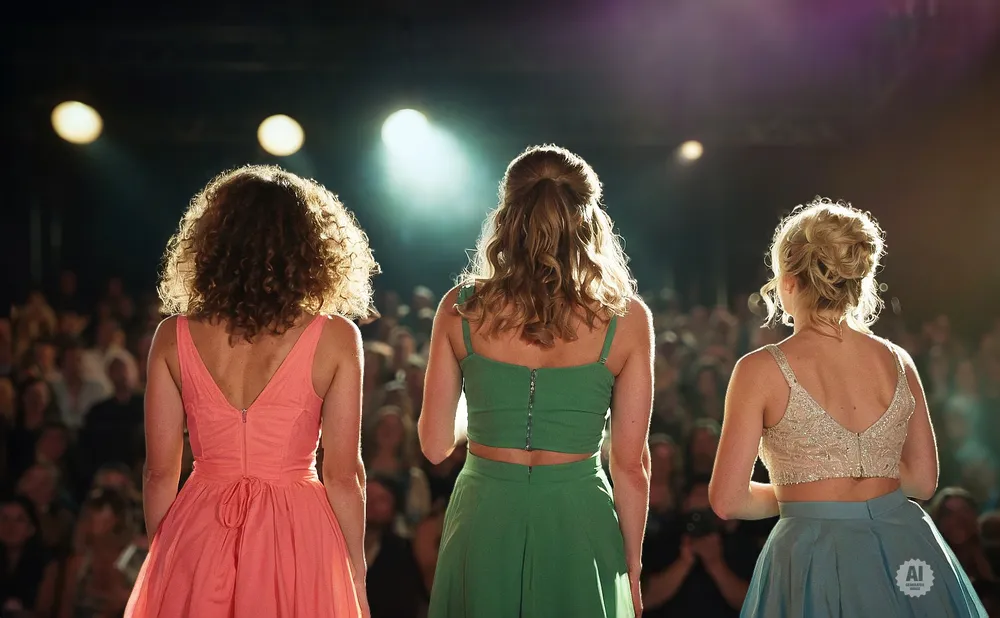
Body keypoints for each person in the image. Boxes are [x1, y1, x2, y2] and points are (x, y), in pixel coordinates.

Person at [709, 198, 986, 617]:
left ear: (788, 281)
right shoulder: (898, 360)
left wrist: (800, 493)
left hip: (810, 552)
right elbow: (924, 482)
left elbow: (728, 500)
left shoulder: (760, 369)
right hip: (905, 546)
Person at [124, 165, 379, 618]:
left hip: (199, 526)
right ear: (311, 248)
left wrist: (166, 556)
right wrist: (355, 569)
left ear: (214, 243)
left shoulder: (173, 335)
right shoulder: (336, 337)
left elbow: (159, 473)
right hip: (298, 533)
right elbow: (343, 475)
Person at [418, 145, 654, 618]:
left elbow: (434, 444)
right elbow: (630, 466)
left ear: (508, 216)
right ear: (588, 218)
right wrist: (632, 563)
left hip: (485, 510)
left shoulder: (461, 308)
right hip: (577, 513)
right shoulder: (625, 319)